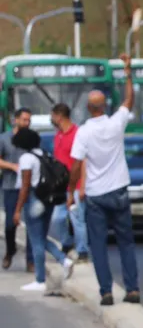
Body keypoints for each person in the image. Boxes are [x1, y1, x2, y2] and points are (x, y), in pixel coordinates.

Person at [69, 53, 140, 306]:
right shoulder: (116, 123)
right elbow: (129, 99)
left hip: (96, 195)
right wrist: (127, 71)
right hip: (119, 191)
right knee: (126, 244)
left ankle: (106, 292)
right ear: (105, 106)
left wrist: (70, 191)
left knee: (98, 246)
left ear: (89, 108)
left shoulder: (83, 133)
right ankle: (132, 290)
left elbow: (76, 165)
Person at [10, 128, 75, 291]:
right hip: (48, 199)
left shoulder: (26, 158)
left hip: (33, 199)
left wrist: (17, 209)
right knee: (40, 237)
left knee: (36, 240)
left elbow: (25, 186)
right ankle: (64, 260)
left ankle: (40, 280)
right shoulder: (44, 154)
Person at [51, 103, 88, 263]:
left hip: (76, 185)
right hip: (61, 186)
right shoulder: (58, 135)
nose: (51, 119)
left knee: (77, 219)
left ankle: (82, 250)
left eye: (53, 115)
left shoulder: (77, 134)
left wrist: (83, 186)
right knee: (57, 218)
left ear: (59, 116)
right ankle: (66, 243)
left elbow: (83, 161)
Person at [1, 108, 33, 272]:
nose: (26, 123)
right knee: (9, 225)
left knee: (32, 224)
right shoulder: (4, 139)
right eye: (24, 120)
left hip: (29, 188)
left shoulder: (31, 139)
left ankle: (30, 260)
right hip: (10, 186)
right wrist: (12, 166)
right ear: (16, 120)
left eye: (29, 120)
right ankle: (10, 250)